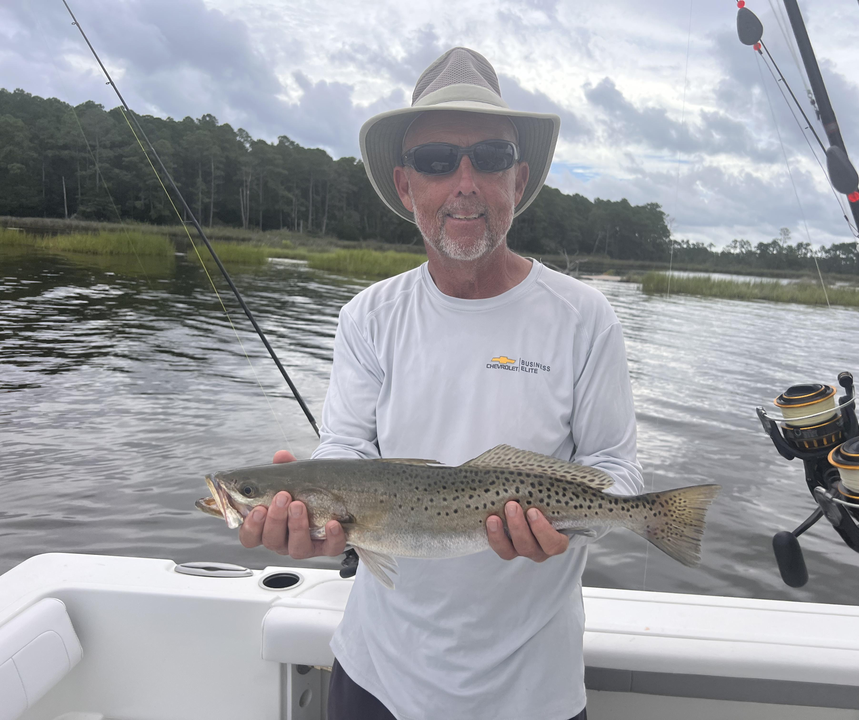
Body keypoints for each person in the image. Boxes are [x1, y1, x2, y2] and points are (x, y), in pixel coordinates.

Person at [239, 47, 642, 720]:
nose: (464, 181)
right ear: (405, 185)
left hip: (532, 692)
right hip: (378, 676)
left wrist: (569, 528)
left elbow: (615, 470)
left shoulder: (584, 317)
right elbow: (345, 452)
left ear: (518, 177)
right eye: (435, 161)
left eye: (488, 157)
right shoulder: (367, 316)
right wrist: (308, 521)